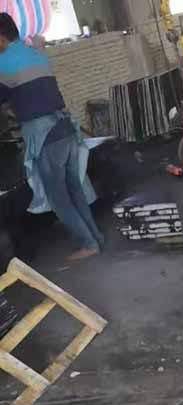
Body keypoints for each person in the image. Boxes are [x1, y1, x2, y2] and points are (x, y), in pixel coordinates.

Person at [0, 14, 104, 261]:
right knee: (74, 190)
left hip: (45, 136)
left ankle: (88, 244)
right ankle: (96, 238)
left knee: (59, 198)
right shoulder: (36, 55)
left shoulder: (3, 63)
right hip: (65, 128)